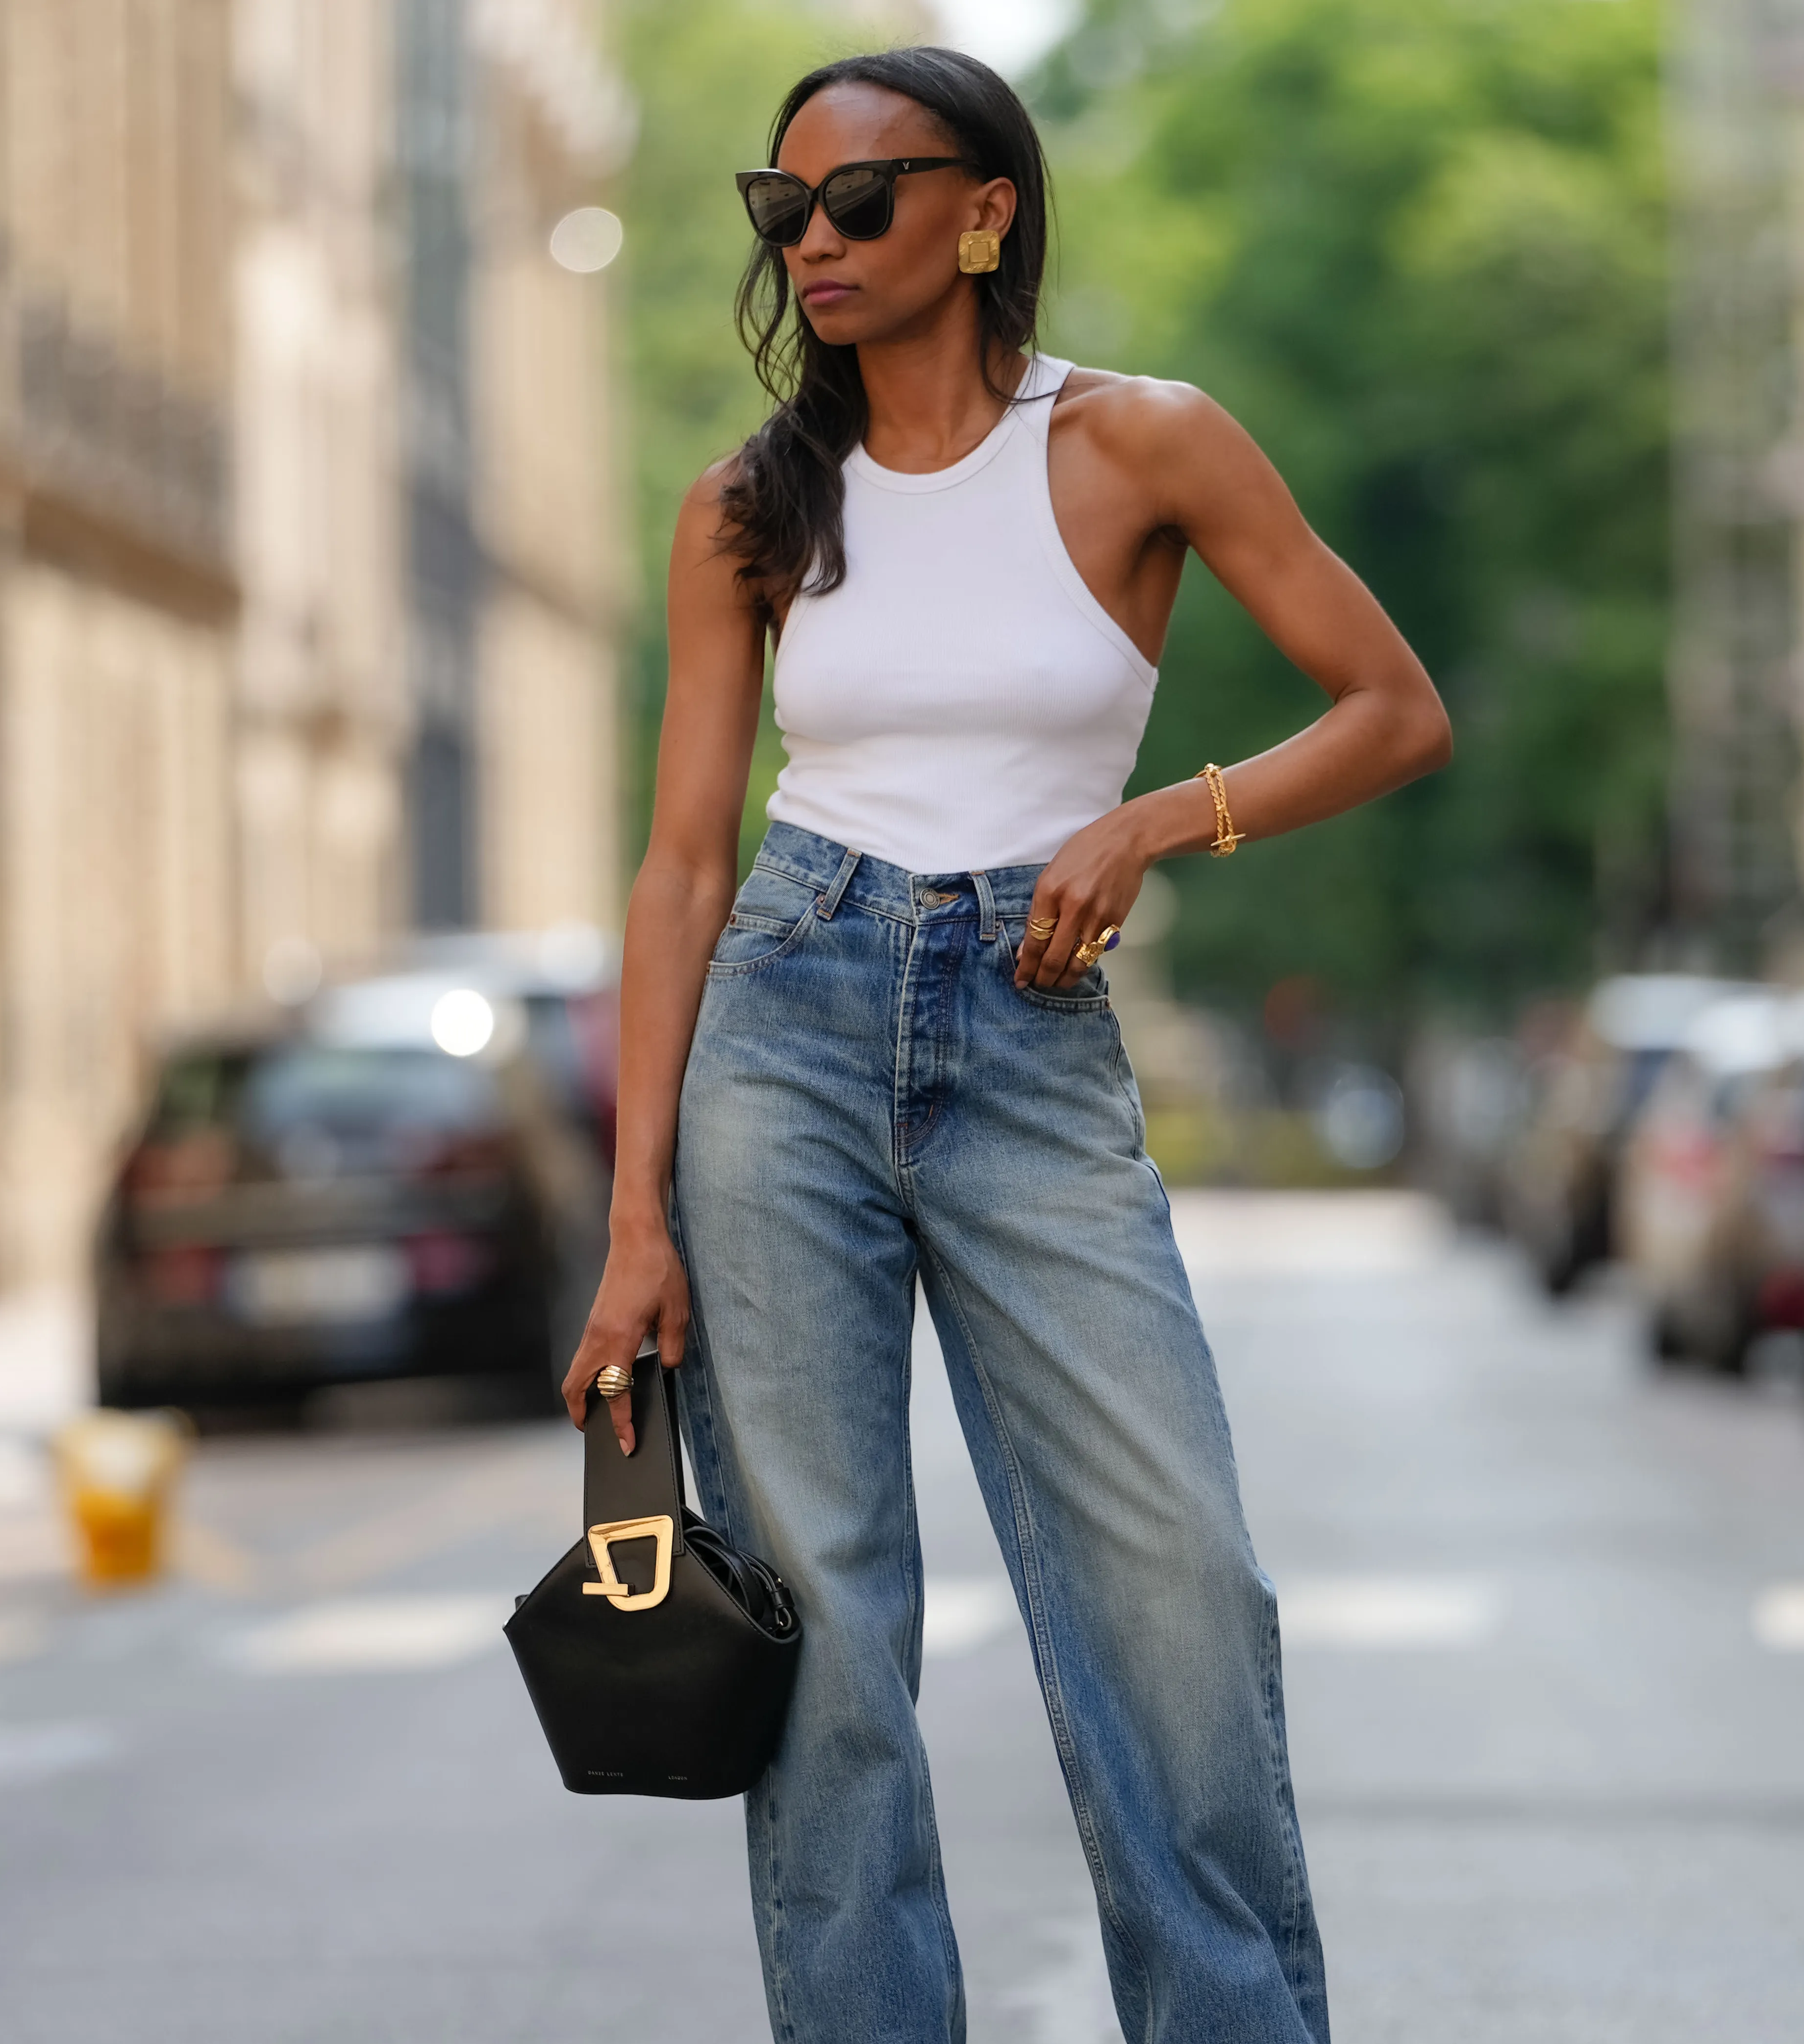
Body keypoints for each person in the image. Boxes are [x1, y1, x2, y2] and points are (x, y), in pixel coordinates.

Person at [562, 46, 1450, 2044]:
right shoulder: (747, 506)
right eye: (782, 211)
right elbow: (683, 865)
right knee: (829, 1637)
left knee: (1178, 1586)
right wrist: (637, 1220)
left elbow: (1394, 710)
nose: (817, 245)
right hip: (781, 1025)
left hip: (1031, 1035)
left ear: (986, 212)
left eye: (859, 202)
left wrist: (1156, 817)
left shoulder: (1145, 446)